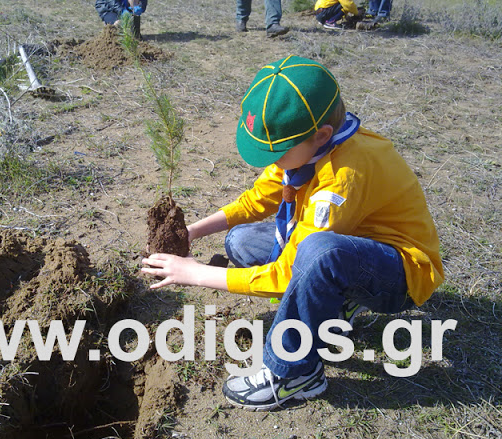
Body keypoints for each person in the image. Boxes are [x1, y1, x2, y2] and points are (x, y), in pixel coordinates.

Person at [141, 55, 444, 411]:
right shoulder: (309, 153)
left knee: (318, 254)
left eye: (278, 152)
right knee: (240, 240)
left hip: (399, 274)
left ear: (321, 136)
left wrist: (195, 273)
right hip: (352, 246)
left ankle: (295, 373)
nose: (272, 161)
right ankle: (334, 303)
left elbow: (286, 274)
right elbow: (258, 199)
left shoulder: (343, 177)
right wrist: (192, 231)